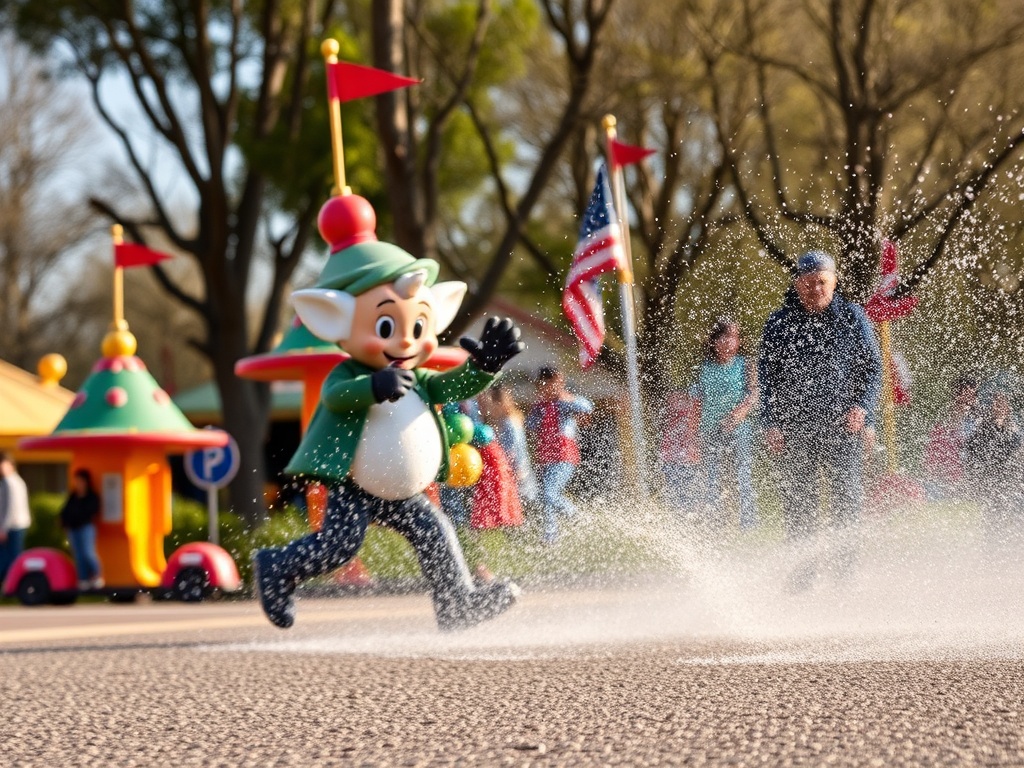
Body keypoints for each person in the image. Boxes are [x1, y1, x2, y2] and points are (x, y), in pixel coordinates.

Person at [252, 202, 524, 632]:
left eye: (417, 327)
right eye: (385, 327)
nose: (404, 340)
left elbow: (451, 386)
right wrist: (371, 387)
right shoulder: (349, 372)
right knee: (339, 545)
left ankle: (457, 604)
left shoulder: (417, 375)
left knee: (435, 532)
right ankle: (275, 566)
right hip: (354, 484)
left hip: (400, 489)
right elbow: (336, 397)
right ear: (336, 319)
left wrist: (485, 366)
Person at [758, 250, 882, 585]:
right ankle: (803, 577)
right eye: (809, 283)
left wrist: (863, 408)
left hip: (843, 425)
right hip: (794, 426)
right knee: (800, 504)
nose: (816, 289)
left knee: (847, 500)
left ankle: (845, 575)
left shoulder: (854, 317)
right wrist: (769, 422)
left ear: (834, 282)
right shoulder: (778, 323)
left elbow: (873, 370)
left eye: (822, 282)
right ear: (797, 284)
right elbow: (767, 379)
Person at [691, 318, 759, 530]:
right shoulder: (703, 368)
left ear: (739, 341)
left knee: (741, 475)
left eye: (734, 337)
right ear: (714, 340)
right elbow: (695, 401)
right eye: (724, 337)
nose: (729, 342)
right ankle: (716, 523)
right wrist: (693, 434)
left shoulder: (745, 365)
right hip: (709, 429)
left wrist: (740, 413)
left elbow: (754, 394)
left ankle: (748, 525)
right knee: (712, 478)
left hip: (738, 428)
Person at [525, 366, 594, 543]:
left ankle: (577, 517)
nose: (548, 389)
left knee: (549, 492)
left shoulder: (565, 402)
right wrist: (536, 409)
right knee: (544, 496)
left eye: (552, 384)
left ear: (560, 383)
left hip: (564, 457)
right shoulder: (540, 406)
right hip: (546, 458)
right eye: (544, 385)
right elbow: (531, 425)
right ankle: (550, 536)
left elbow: (587, 406)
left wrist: (567, 399)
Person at [962, 387, 1023, 535]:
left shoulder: (1014, 429)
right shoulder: (983, 429)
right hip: (991, 481)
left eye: (1003, 403)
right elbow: (972, 456)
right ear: (990, 407)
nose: (1000, 406)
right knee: (996, 513)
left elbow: (1018, 452)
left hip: (1010, 480)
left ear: (1008, 407)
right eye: (996, 403)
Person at [478, 385, 538, 508]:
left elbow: (516, 447)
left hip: (517, 468)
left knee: (525, 500)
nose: (488, 407)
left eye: (490, 403)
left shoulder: (509, 423)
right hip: (514, 467)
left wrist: (517, 468)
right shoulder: (505, 421)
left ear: (499, 403)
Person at [923, 372, 981, 500]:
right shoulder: (941, 426)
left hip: (969, 478)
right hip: (946, 479)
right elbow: (931, 458)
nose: (969, 400)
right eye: (964, 394)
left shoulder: (980, 424)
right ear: (956, 395)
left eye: (972, 395)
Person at [60, 468, 103, 590]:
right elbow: (65, 512)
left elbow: (91, 512)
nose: (78, 483)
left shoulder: (91, 496)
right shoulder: (73, 496)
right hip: (73, 529)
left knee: (88, 553)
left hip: (86, 527)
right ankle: (83, 579)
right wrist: (64, 522)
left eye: (80, 481)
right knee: (78, 555)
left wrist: (77, 517)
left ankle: (96, 576)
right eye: (76, 481)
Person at [0, 452, 31, 586]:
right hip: (18, 524)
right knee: (14, 558)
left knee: (10, 559)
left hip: (12, 526)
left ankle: (11, 586)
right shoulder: (18, 481)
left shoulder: (9, 482)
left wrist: (3, 528)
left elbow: (9, 507)